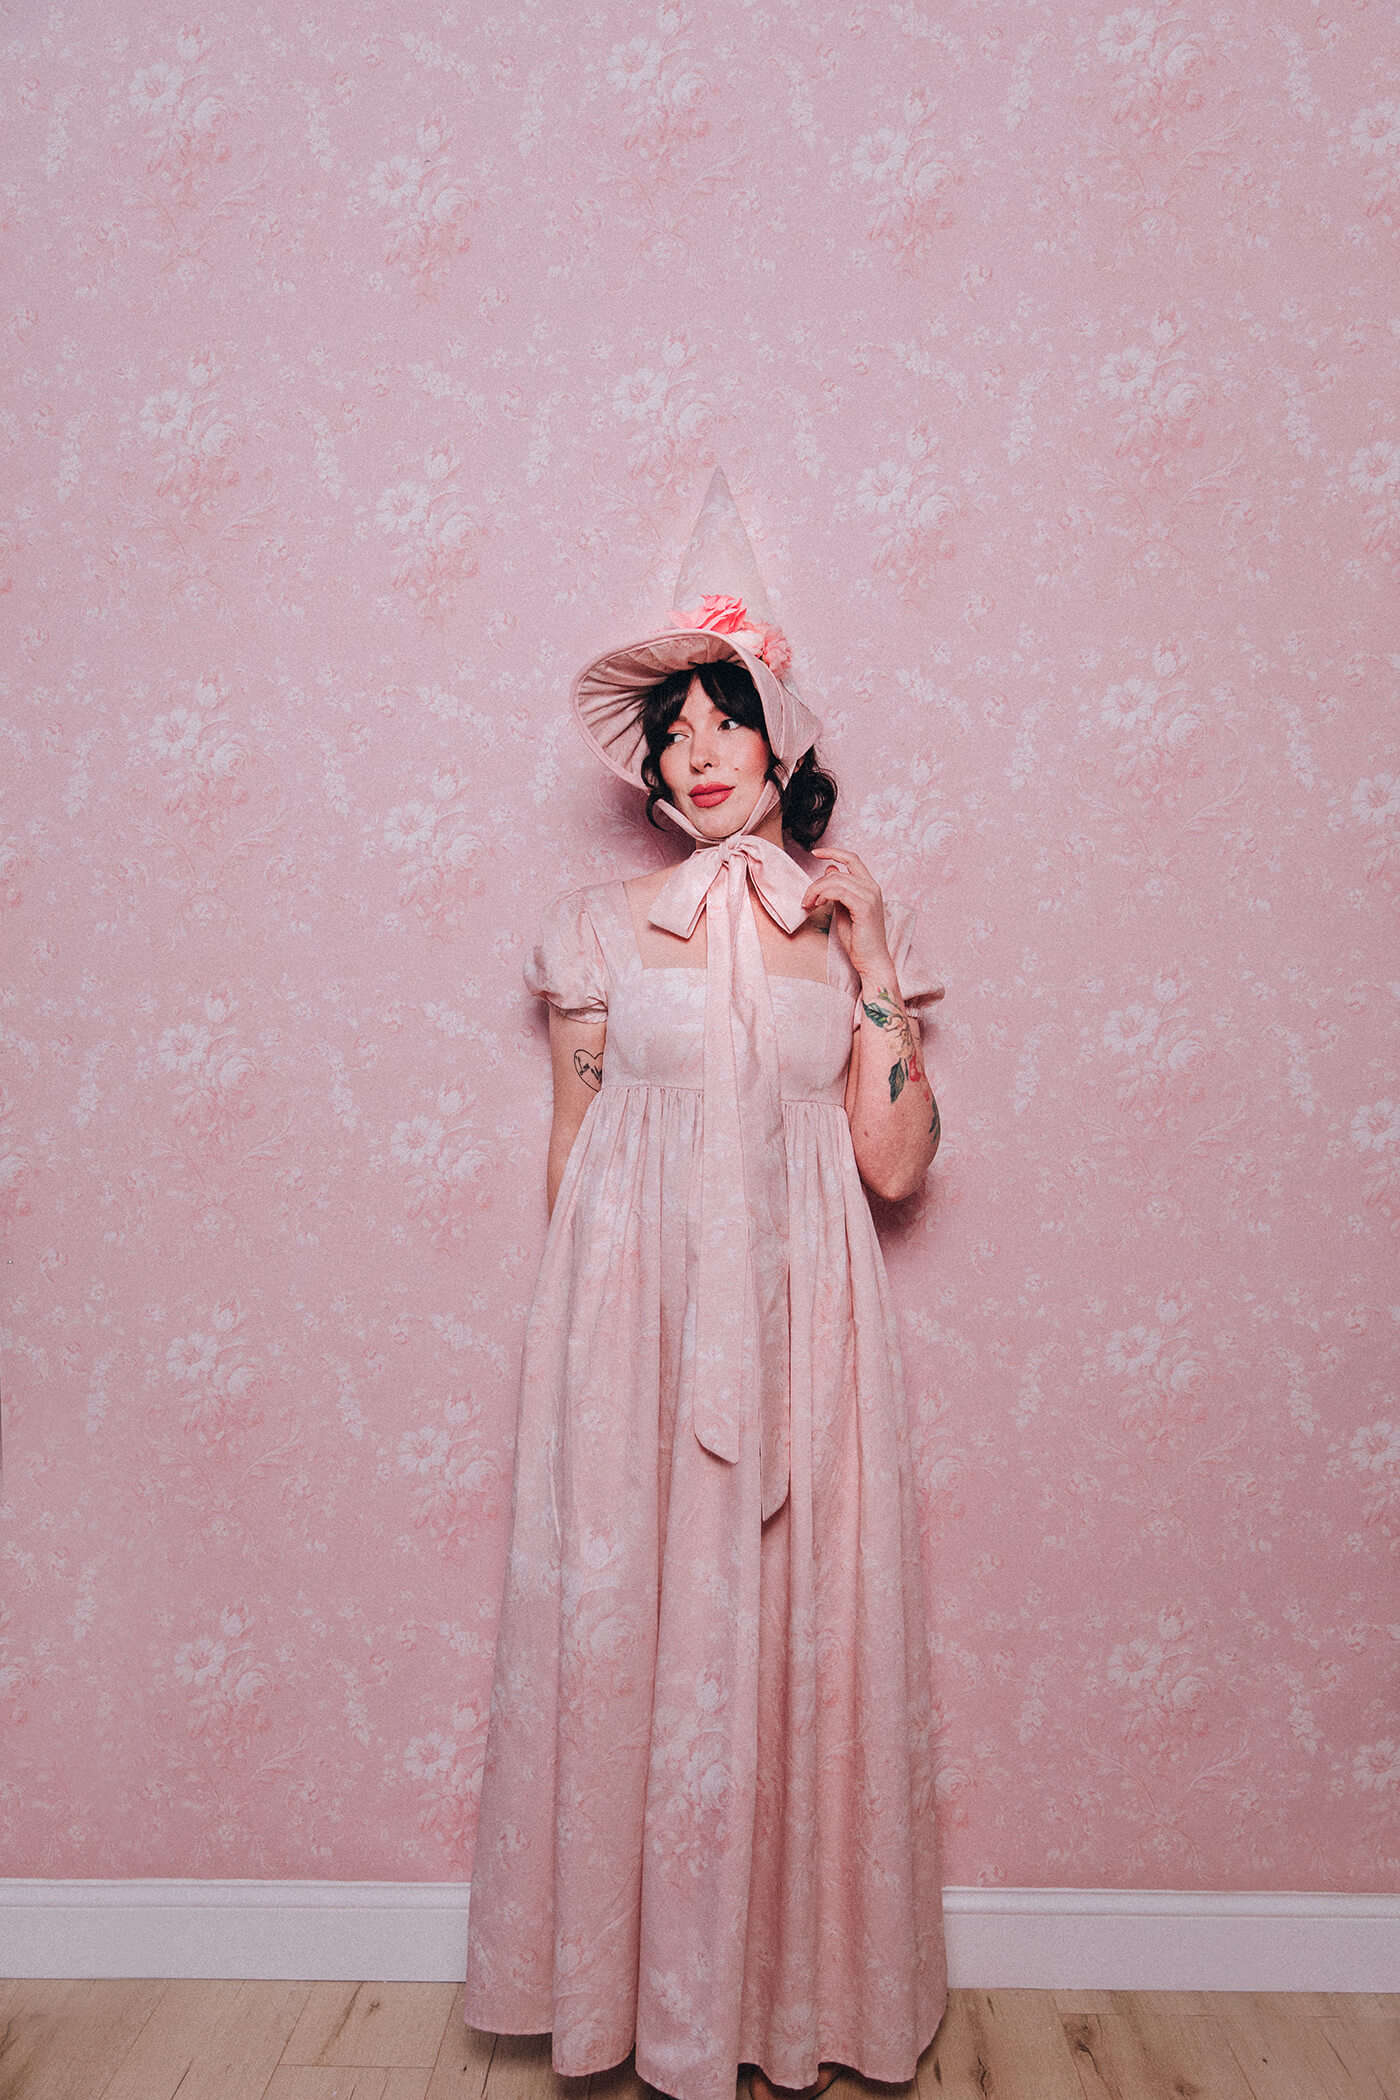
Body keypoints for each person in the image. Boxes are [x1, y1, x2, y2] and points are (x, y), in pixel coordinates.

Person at [462, 472, 947, 2100]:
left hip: (813, 1327)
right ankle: (632, 2005)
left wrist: (878, 970)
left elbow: (894, 1171)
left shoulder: (841, 919)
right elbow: (575, 1149)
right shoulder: (596, 926)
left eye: (722, 715)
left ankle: (783, 1998)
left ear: (777, 738)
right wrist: (588, 1363)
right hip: (637, 1327)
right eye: (670, 728)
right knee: (636, 1643)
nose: (693, 751)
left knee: (800, 1644)